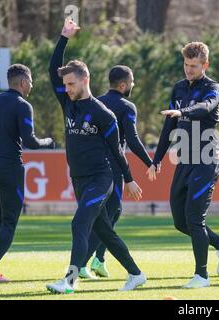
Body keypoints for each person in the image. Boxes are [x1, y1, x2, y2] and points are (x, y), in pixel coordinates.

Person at [46, 18, 147, 294]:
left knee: (79, 223)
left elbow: (117, 150)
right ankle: (136, 274)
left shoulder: (104, 113)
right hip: (78, 179)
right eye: (65, 84)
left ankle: (69, 281)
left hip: (100, 179)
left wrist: (129, 179)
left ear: (85, 80)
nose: (66, 88)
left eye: (71, 83)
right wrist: (64, 37)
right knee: (104, 231)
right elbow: (52, 69)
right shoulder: (68, 103)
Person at [147, 41, 219, 289]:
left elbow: (204, 107)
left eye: (194, 66)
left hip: (206, 162)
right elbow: (168, 127)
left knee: (195, 220)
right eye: (186, 64)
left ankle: (201, 276)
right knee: (180, 222)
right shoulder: (178, 88)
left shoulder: (213, 88)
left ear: (205, 65)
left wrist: (183, 112)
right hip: (184, 162)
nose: (189, 70)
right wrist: (157, 160)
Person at [79, 65, 154, 279]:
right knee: (107, 216)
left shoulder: (96, 102)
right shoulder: (126, 106)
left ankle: (99, 259)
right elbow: (132, 140)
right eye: (131, 82)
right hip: (112, 168)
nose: (133, 84)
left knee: (113, 212)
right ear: (122, 85)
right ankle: (83, 263)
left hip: (92, 164)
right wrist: (149, 162)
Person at [0, 64, 55, 283]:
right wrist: (48, 142)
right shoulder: (22, 105)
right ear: (22, 82)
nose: (31, 85)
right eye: (30, 81)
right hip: (9, 168)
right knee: (9, 221)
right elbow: (30, 141)